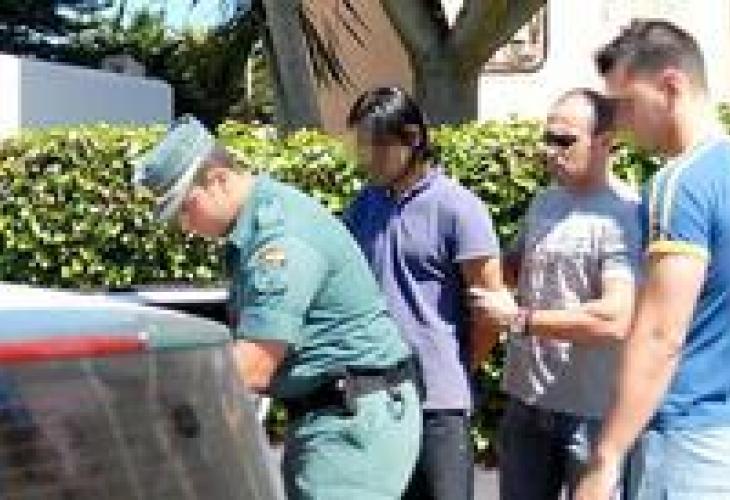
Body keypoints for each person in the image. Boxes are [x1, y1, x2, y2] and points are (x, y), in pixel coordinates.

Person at [132, 115, 421, 500]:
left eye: (185, 207)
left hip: (351, 424)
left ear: (218, 179)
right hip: (338, 414)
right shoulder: (257, 226)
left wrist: (161, 408)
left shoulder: (279, 241)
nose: (185, 225)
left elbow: (252, 366)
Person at [576, 20, 730, 500]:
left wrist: (605, 460)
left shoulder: (680, 184)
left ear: (670, 88)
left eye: (625, 104)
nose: (619, 122)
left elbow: (662, 333)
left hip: (686, 438)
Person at [473, 88, 641, 499]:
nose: (550, 151)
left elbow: (615, 318)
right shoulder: (545, 202)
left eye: (564, 141)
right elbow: (512, 268)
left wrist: (519, 320)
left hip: (591, 414)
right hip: (527, 402)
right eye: (547, 138)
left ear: (605, 143)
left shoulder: (624, 214)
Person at [343, 86, 503, 500]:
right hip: (376, 400)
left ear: (413, 139)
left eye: (379, 145)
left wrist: (452, 366)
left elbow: (490, 311)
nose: (368, 157)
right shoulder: (363, 207)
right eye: (363, 145)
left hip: (438, 406)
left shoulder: (459, 209)